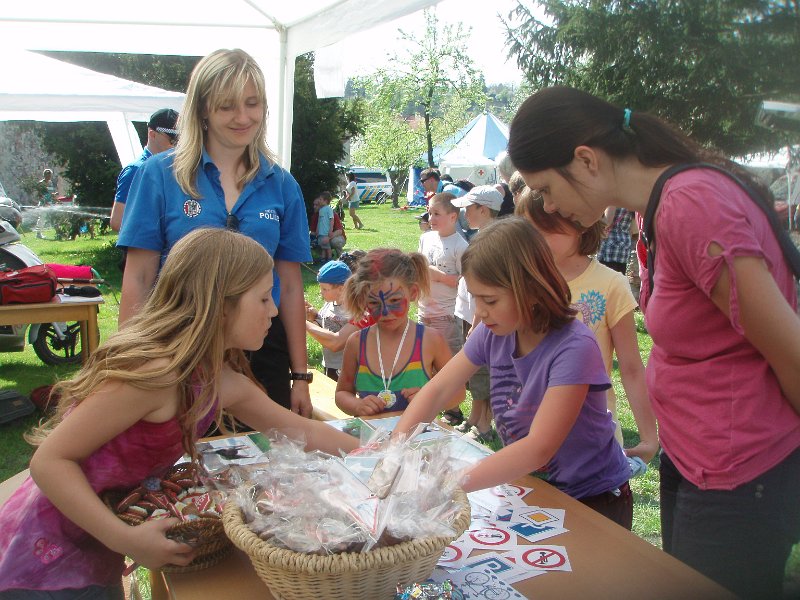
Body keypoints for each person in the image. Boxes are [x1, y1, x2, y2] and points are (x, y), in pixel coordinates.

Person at [507, 86, 800, 599]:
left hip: (740, 469)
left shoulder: (693, 205)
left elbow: (791, 352)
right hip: (697, 457)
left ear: (585, 159)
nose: (547, 205)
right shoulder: (658, 206)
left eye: (547, 188)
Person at [0, 228, 357, 599]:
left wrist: (377, 457)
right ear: (220, 304)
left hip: (94, 542)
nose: (275, 310)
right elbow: (50, 462)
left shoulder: (216, 377)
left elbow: (300, 430)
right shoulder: (155, 374)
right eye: (265, 298)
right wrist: (126, 539)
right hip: (43, 560)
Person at [393, 218, 632, 529]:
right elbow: (438, 390)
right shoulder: (493, 332)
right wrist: (395, 448)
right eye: (475, 298)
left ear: (531, 290)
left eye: (490, 300)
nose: (479, 312)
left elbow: (539, 447)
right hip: (536, 489)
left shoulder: (575, 347)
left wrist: (448, 484)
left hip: (594, 500)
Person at [117, 48, 313, 417]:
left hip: (261, 344)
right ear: (203, 108)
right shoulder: (159, 175)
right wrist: (131, 365)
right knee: (180, 458)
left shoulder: (282, 185)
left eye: (252, 104)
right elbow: (140, 276)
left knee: (266, 461)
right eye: (227, 107)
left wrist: (299, 375)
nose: (243, 117)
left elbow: (288, 285)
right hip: (177, 342)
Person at [515, 189, 658, 466]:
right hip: (527, 435)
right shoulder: (519, 281)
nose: (537, 241)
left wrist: (649, 436)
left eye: (549, 229)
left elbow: (630, 367)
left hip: (592, 437)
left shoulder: (610, 284)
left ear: (581, 223)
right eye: (529, 230)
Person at [335, 248, 462, 417]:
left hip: (417, 441)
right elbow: (342, 393)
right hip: (371, 439)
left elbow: (458, 393)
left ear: (413, 293)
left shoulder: (430, 340)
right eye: (374, 303)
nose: (386, 312)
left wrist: (429, 400)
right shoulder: (357, 343)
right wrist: (357, 405)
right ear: (363, 300)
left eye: (394, 300)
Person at [450, 186, 504, 442]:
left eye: (469, 209)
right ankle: (475, 416)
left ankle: (484, 424)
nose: (464, 213)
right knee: (474, 372)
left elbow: (489, 286)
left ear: (483, 209)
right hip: (469, 314)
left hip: (479, 318)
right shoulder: (480, 236)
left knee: (482, 370)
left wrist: (477, 322)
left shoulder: (491, 240)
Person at [110, 108, 179, 233]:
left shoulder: (174, 168)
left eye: (180, 140)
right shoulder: (136, 170)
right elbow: (117, 222)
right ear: (152, 134)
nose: (176, 146)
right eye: (172, 140)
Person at [305, 260, 359, 381]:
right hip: (330, 364)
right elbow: (326, 330)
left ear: (341, 289)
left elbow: (335, 344)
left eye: (325, 289)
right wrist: (314, 318)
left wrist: (302, 323)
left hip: (348, 369)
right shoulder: (329, 304)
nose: (320, 292)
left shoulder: (355, 310)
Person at [597, 207, 634, 275]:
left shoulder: (613, 202)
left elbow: (607, 223)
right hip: (624, 247)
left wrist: (595, 217)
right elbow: (631, 229)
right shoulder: (630, 203)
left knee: (605, 281)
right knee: (618, 281)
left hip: (610, 246)